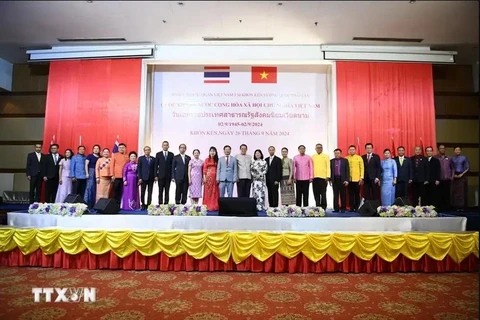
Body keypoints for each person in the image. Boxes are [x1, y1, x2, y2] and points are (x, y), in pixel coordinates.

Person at [435, 144, 454, 212]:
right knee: (439, 194)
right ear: (438, 149)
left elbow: (452, 168)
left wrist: (451, 177)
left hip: (447, 179)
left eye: (443, 148)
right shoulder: (436, 158)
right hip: (439, 179)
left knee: (447, 194)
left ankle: (447, 208)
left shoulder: (449, 158)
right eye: (440, 148)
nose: (442, 150)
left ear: (445, 149)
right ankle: (440, 208)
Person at [312, 143, 330, 210]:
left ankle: (324, 207)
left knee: (323, 193)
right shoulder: (313, 156)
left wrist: (328, 176)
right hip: (315, 178)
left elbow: (328, 166)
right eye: (317, 148)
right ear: (315, 149)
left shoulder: (326, 156)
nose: (319, 149)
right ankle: (318, 206)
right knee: (316, 193)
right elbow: (311, 167)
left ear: (322, 149)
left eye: (320, 147)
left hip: (323, 178)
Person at [451, 147, 470, 211]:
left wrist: (461, 174)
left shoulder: (464, 157)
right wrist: (454, 175)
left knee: (462, 192)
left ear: (460, 151)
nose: (457, 151)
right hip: (455, 175)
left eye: (459, 150)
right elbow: (451, 167)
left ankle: (462, 206)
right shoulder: (452, 158)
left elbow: (467, 167)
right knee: (455, 192)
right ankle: (456, 206)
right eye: (456, 150)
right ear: (454, 151)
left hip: (462, 175)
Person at [346, 145, 364, 212]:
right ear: (348, 151)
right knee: (350, 194)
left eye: (353, 149)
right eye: (350, 149)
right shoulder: (346, 158)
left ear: (355, 150)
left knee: (357, 194)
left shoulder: (359, 158)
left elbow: (362, 168)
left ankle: (357, 207)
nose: (352, 151)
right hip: (349, 179)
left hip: (357, 179)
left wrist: (361, 177)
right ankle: (351, 207)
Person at [203, 147, 220, 211]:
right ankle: (207, 206)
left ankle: (214, 206)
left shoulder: (218, 160)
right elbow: (204, 169)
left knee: (215, 191)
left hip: (216, 178)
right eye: (211, 151)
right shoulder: (206, 160)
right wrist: (204, 177)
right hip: (208, 177)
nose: (212, 152)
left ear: (216, 152)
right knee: (208, 192)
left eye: (213, 151)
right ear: (209, 152)